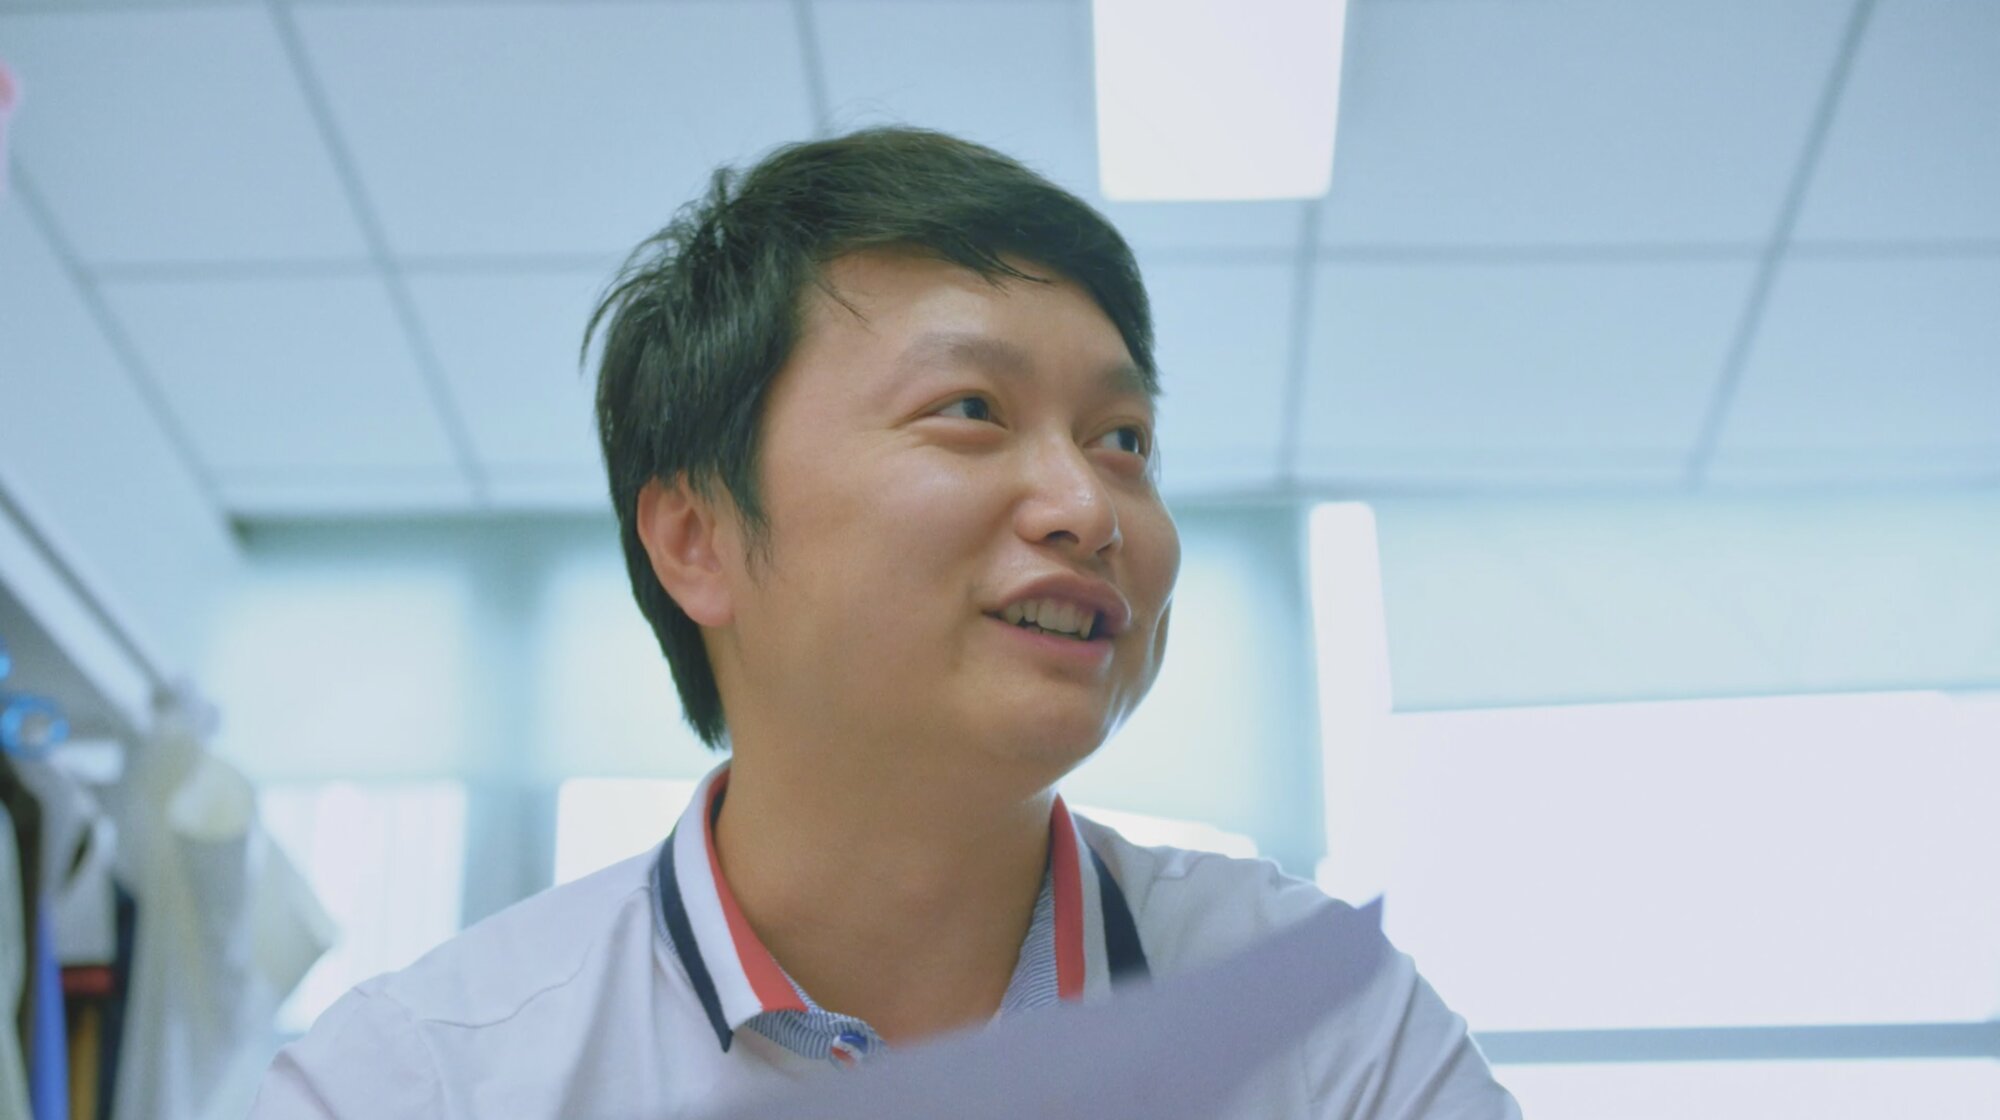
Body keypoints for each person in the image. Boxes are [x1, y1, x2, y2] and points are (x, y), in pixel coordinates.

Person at [249, 127, 1520, 1118]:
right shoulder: (419, 1081)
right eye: (970, 410)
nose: (1088, 506)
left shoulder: (1325, 1025)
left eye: (1123, 439)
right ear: (696, 538)